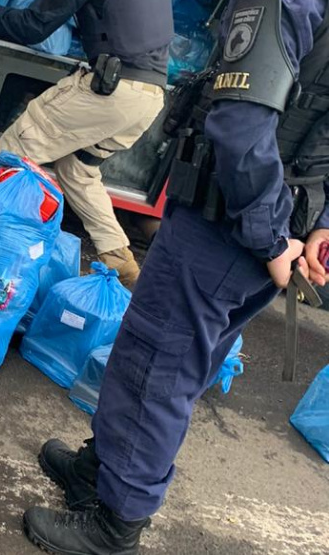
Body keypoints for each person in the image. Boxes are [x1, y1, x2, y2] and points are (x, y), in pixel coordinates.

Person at [20, 0, 329, 553]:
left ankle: (116, 522)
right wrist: (318, 225)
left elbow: (240, 127)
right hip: (276, 220)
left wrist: (269, 235)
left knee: (156, 365)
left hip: (233, 219)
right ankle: (102, 470)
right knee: (180, 362)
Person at [0, 0, 174, 287]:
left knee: (16, 150)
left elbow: (32, 27)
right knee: (79, 171)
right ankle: (120, 260)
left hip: (111, 89)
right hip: (149, 97)